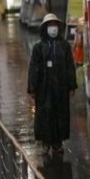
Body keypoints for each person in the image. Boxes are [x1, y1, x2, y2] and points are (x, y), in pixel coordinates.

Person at [27, 13, 77, 158]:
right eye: (50, 25)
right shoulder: (38, 47)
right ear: (45, 28)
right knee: (44, 114)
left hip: (60, 88)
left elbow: (70, 67)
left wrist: (71, 85)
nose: (53, 28)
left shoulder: (64, 46)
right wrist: (32, 87)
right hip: (44, 88)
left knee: (60, 114)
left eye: (54, 25)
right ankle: (45, 143)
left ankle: (57, 143)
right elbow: (33, 68)